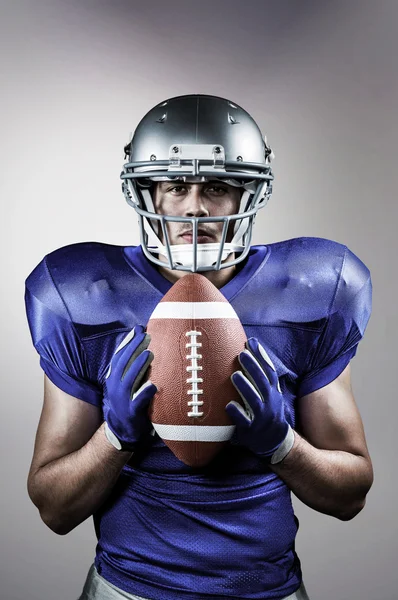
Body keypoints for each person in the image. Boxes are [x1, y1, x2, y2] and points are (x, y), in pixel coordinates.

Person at [25, 94, 373, 600]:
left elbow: (351, 494)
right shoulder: (81, 294)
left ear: (247, 196)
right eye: (176, 186)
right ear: (147, 194)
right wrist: (114, 437)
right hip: (129, 588)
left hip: (267, 590)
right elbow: (54, 509)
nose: (195, 206)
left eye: (216, 186)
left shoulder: (312, 287)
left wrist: (283, 445)